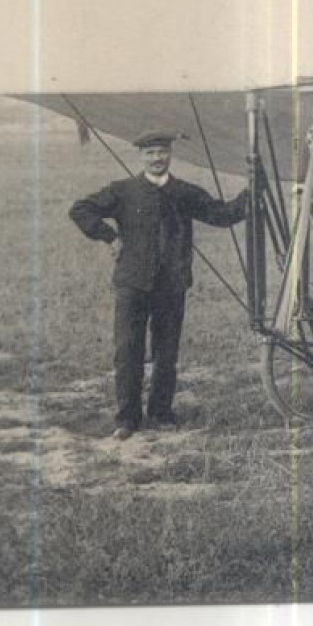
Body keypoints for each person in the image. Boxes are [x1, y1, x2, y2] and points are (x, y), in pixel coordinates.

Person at [69, 130, 249, 439]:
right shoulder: (123, 190)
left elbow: (222, 215)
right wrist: (109, 236)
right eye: (150, 153)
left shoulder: (185, 192)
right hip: (132, 283)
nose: (157, 159)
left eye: (162, 152)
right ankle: (126, 420)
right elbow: (80, 210)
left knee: (167, 353)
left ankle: (162, 413)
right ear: (141, 157)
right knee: (128, 350)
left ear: (170, 155)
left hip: (171, 284)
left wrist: (252, 191)